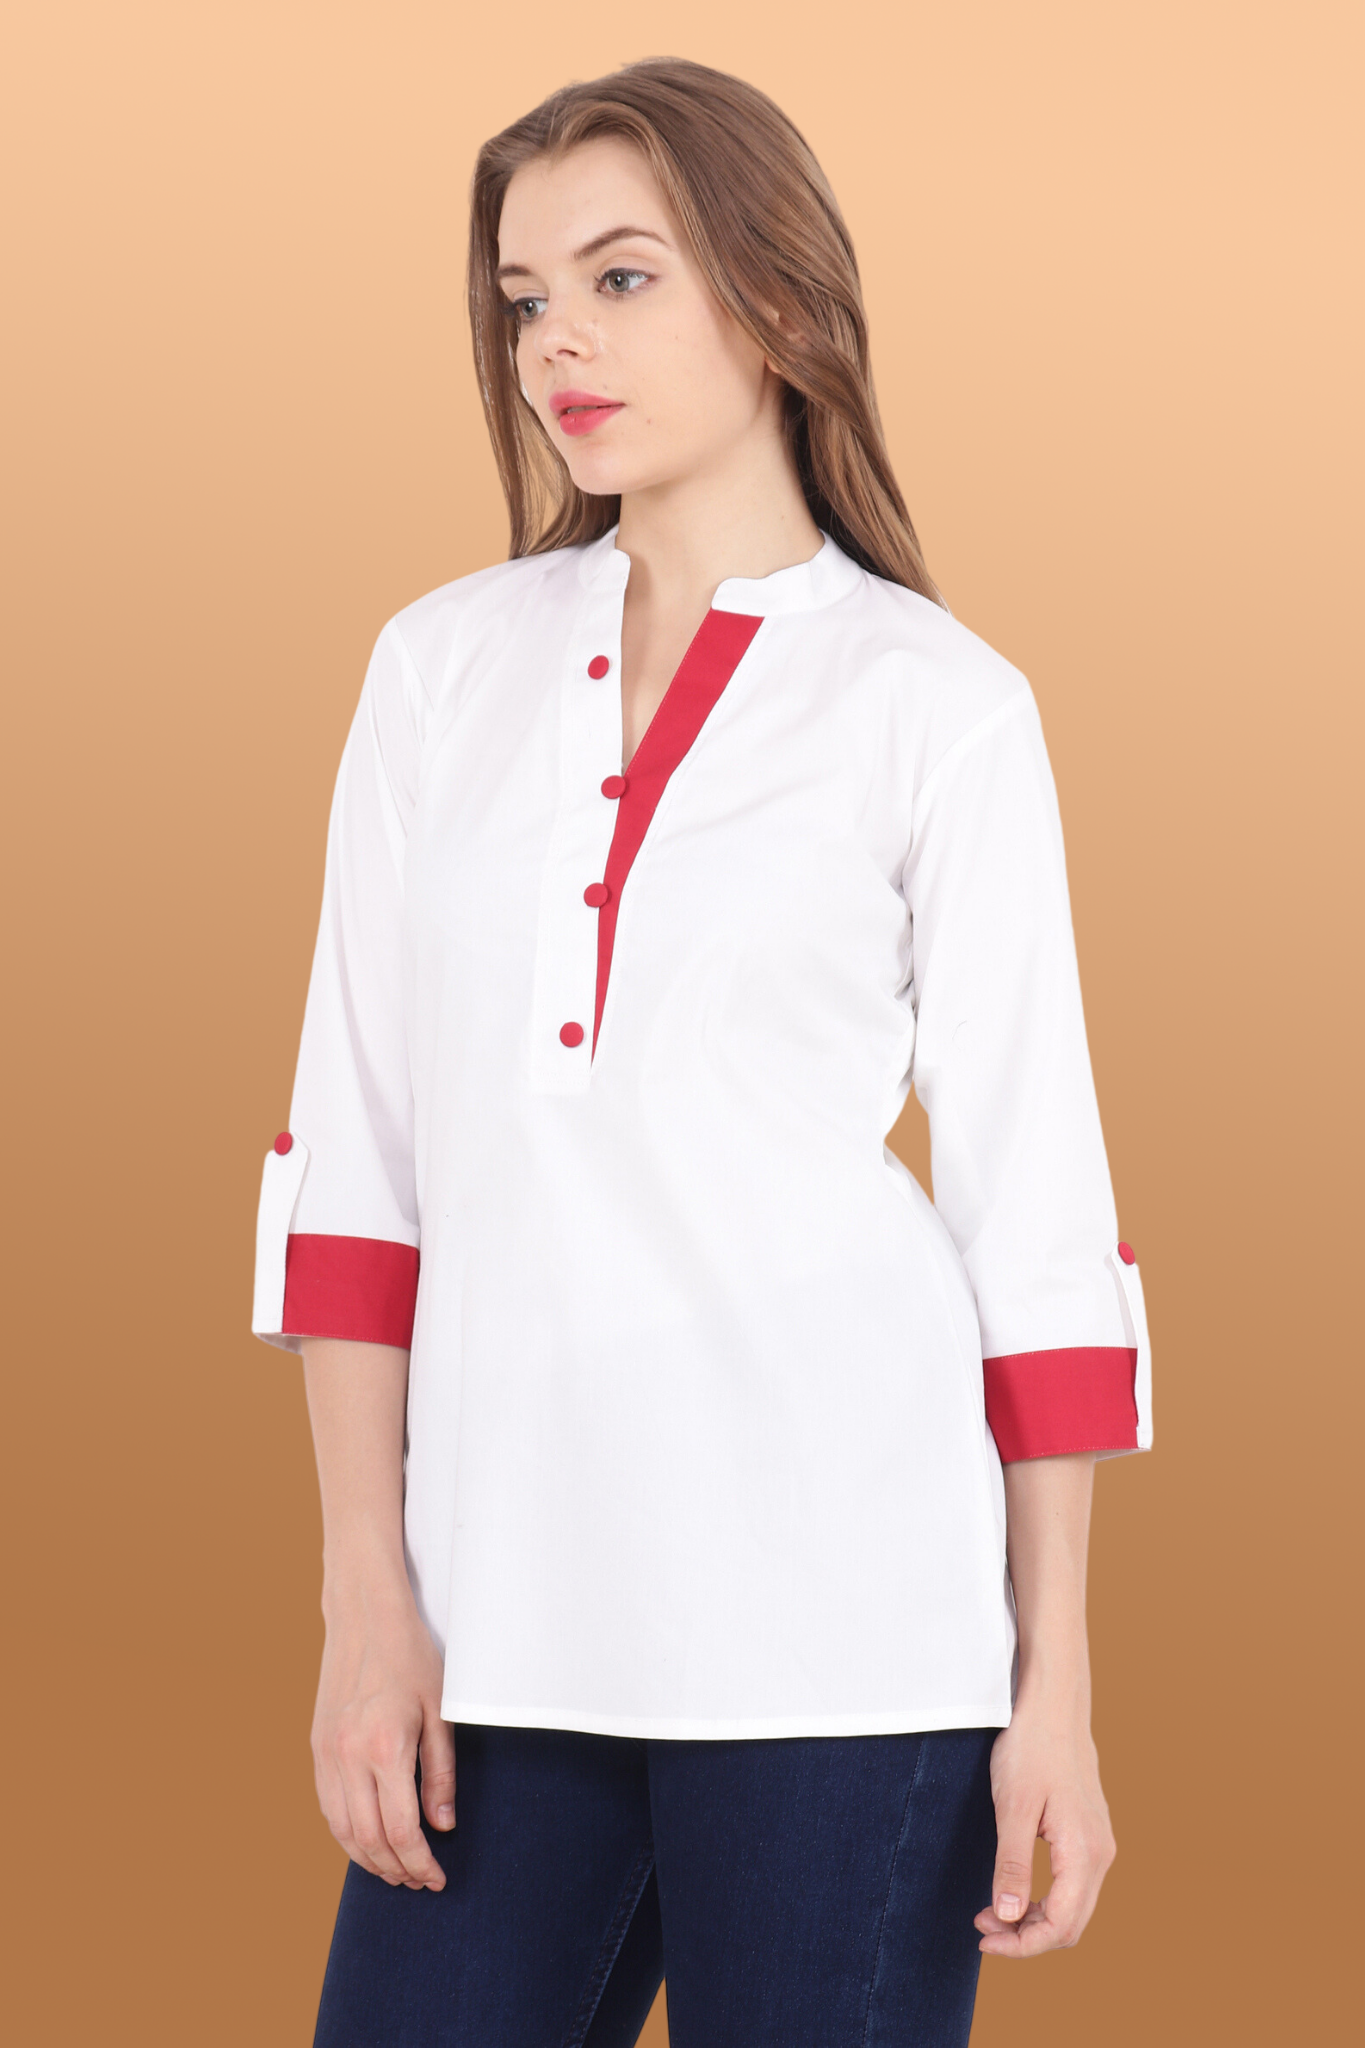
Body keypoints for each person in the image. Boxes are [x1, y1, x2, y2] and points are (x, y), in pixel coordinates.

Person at [251, 55, 1152, 2048]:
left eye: (619, 277)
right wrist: (364, 1600)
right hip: (498, 1629)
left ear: (777, 298)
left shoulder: (937, 707)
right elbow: (356, 1168)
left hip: (853, 1634)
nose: (555, 342)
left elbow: (1034, 1225)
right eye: (523, 299)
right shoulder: (440, 672)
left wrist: (1055, 1688)